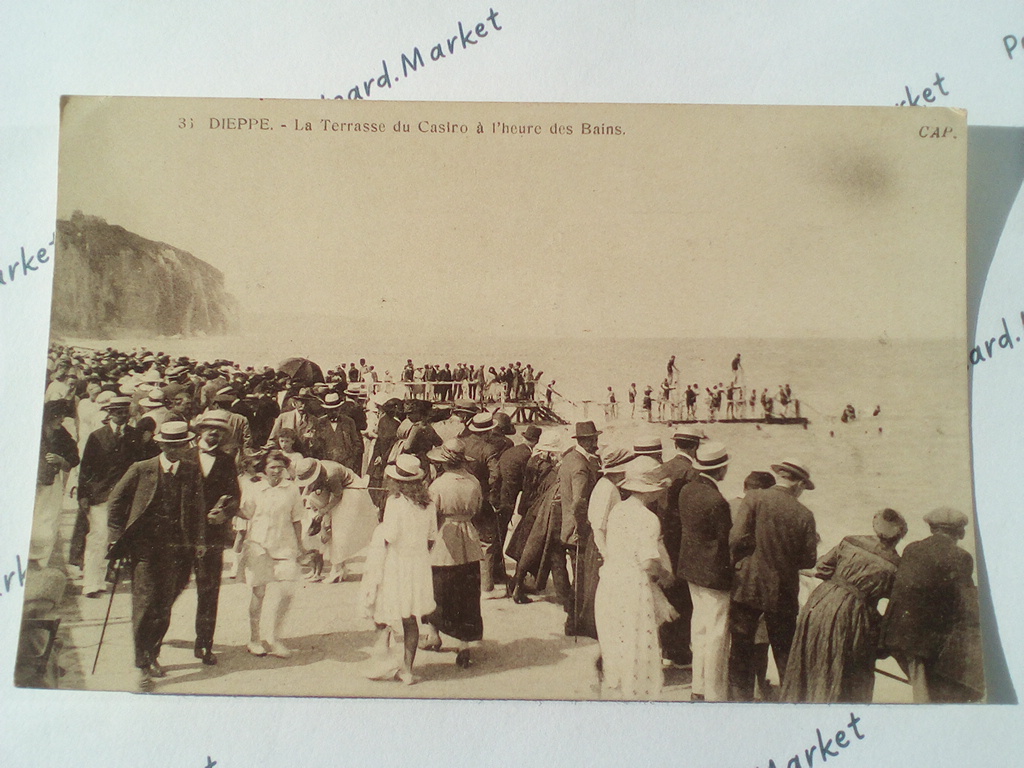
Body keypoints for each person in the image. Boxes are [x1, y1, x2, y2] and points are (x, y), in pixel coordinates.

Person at [106, 420, 204, 691]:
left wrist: (198, 542)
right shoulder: (142, 469)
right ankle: (142, 662)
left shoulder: (191, 471)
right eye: (170, 446)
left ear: (186, 445)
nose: (176, 450)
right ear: (160, 445)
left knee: (164, 604)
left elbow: (197, 509)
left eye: (181, 445)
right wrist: (117, 539)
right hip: (145, 549)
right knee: (145, 602)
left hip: (176, 549)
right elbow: (115, 503)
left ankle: (153, 652)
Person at [782, 508, 908, 703]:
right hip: (855, 613)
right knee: (841, 661)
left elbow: (822, 567)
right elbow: (892, 597)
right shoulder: (895, 565)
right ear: (899, 536)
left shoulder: (850, 541)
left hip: (822, 601)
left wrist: (841, 579)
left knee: (810, 652)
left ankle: (800, 702)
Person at [728, 458, 818, 701]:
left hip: (747, 583)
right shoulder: (804, 515)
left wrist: (745, 560)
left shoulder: (754, 498)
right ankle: (791, 701)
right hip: (783, 588)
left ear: (779, 475)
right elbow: (809, 560)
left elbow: (735, 538)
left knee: (741, 646)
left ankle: (739, 701)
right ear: (799, 484)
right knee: (785, 649)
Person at [881, 507, 983, 703]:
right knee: (932, 693)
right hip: (926, 643)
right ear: (959, 533)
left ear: (932, 529)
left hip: (896, 636)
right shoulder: (961, 557)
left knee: (922, 686)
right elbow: (967, 603)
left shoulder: (912, 548)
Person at [595, 462, 675, 700]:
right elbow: (649, 561)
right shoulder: (648, 518)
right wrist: (667, 576)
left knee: (616, 643)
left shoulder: (618, 510)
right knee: (637, 644)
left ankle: (618, 693)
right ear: (651, 490)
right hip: (633, 586)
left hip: (610, 580)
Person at [363, 455, 437, 685]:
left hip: (397, 563)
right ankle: (407, 669)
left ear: (399, 482)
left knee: (383, 613)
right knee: (410, 617)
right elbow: (431, 538)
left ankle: (384, 661)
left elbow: (390, 536)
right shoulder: (429, 503)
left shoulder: (395, 503)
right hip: (419, 565)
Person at [184, 411, 242, 665]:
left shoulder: (227, 460)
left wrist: (225, 514)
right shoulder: (183, 456)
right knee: (167, 591)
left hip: (212, 535)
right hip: (182, 535)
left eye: (220, 430)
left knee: (208, 592)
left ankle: (204, 645)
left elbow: (234, 496)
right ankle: (152, 646)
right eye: (210, 428)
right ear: (200, 430)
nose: (214, 433)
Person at [677, 441, 733, 701]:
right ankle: (714, 691)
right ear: (720, 470)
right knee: (717, 633)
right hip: (713, 574)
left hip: (691, 568)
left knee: (699, 628)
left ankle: (697, 686)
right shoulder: (717, 501)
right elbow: (726, 539)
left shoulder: (688, 490)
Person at [239, 450, 309, 658]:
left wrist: (300, 547)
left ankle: (275, 638)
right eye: (272, 467)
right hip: (259, 546)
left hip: (285, 546)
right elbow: (246, 514)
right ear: (264, 469)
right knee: (258, 594)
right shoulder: (253, 488)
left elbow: (297, 519)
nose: (277, 471)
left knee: (287, 592)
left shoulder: (292, 490)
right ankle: (254, 639)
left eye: (280, 467)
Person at [421, 439, 484, 667]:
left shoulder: (437, 486)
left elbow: (432, 515)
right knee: (467, 592)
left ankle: (434, 634)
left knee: (438, 589)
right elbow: (477, 508)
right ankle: (464, 644)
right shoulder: (474, 482)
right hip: (468, 536)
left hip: (444, 538)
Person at [76, 396, 143, 597]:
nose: (122, 415)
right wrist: (83, 494)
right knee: (98, 537)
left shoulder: (135, 436)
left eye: (125, 411)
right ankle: (91, 583)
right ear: (110, 413)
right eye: (118, 412)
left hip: (127, 496)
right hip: (101, 495)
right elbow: (86, 468)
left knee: (122, 538)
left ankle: (107, 578)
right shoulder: (97, 436)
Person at [505, 429, 564, 603]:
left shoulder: (532, 462)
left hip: (530, 507)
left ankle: (517, 582)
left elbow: (527, 487)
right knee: (532, 549)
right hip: (540, 510)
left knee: (524, 546)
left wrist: (523, 508)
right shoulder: (551, 470)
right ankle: (518, 587)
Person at [557, 421, 601, 636]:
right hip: (578, 530)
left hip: (568, 526)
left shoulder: (569, 458)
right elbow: (578, 502)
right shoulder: (581, 466)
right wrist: (583, 528)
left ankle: (575, 621)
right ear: (585, 440)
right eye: (594, 439)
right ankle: (575, 623)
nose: (596, 443)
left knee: (580, 575)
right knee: (582, 576)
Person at [30, 399, 80, 568]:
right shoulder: (32, 430)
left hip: (51, 484)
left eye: (63, 417)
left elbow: (74, 459)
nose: (61, 420)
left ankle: (40, 560)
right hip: (31, 483)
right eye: (58, 416)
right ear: (49, 416)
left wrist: (61, 460)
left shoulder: (62, 434)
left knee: (49, 520)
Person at [294, 456, 360, 583]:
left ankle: (337, 570)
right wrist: (302, 499)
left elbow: (337, 495)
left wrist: (324, 511)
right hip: (336, 490)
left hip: (350, 490)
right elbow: (309, 486)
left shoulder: (331, 474)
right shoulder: (316, 471)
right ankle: (340, 568)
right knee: (330, 526)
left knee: (338, 529)